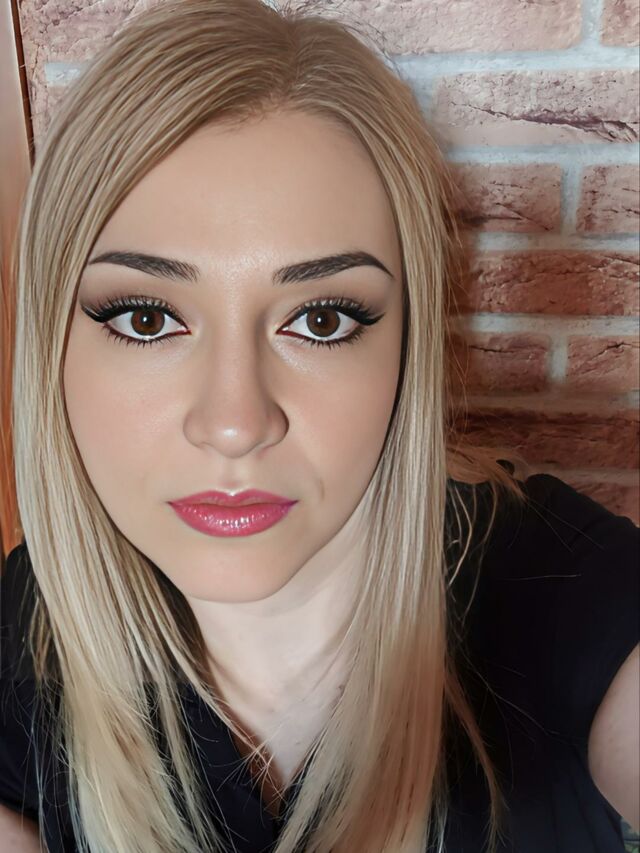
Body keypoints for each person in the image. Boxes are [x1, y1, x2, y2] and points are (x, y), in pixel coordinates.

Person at [1, 1, 638, 852]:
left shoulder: (552, 588)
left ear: (406, 345)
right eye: (147, 318)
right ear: (52, 345)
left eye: (322, 319)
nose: (236, 424)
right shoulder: (27, 626)